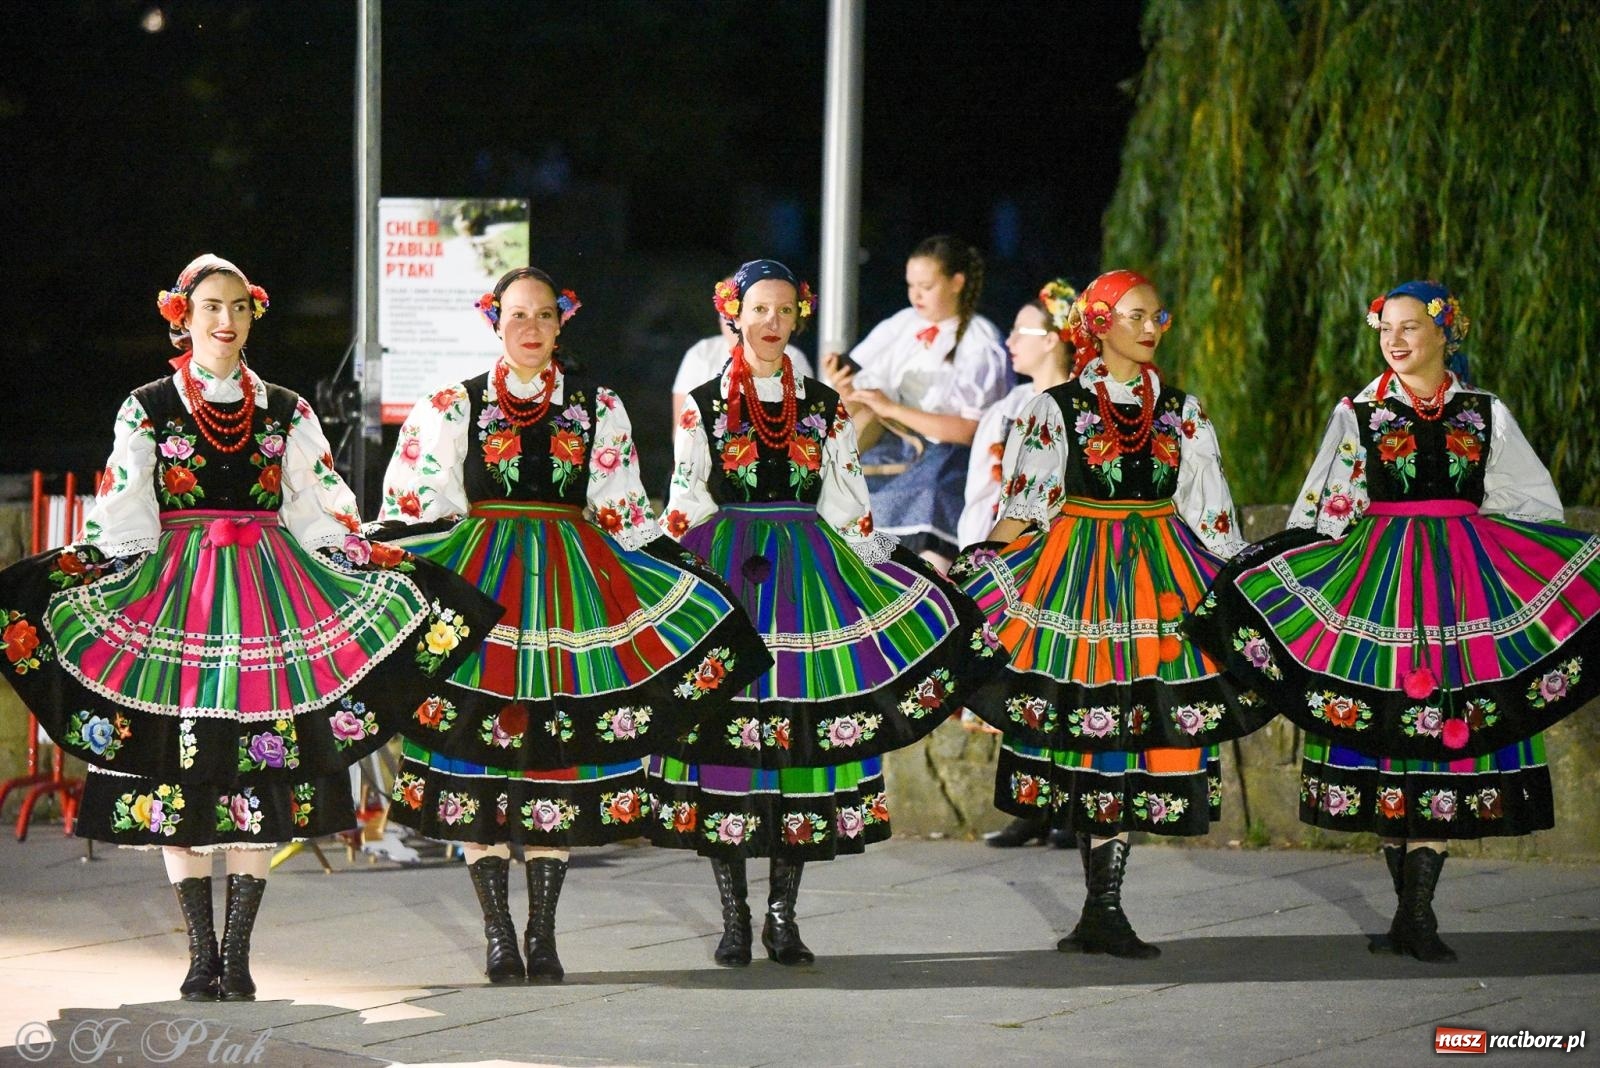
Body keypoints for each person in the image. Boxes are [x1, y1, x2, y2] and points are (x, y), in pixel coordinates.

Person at [0, 254, 499, 1002]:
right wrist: (93, 566)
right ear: (183, 316)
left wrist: (367, 553)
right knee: (178, 766)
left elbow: (317, 506)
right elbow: (127, 507)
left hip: (269, 595)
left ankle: (237, 954)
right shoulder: (147, 406)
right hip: (178, 599)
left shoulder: (287, 409)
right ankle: (200, 954)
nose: (226, 321)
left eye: (238, 307)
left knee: (262, 767)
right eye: (210, 308)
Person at [373, 266, 769, 984]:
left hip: (569, 587)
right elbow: (417, 503)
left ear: (562, 324)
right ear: (494, 320)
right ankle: (499, 935)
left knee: (559, 748)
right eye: (517, 315)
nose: (529, 329)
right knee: (479, 752)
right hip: (482, 584)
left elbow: (620, 509)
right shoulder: (452, 403)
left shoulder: (597, 404)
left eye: (543, 316)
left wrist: (683, 573)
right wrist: (387, 567)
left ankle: (544, 934)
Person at [1187, 281, 1600, 962]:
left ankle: (1418, 914)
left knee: (1445, 732)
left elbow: (1529, 502)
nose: (1397, 341)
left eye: (1411, 327)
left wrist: (1509, 557)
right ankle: (1411, 916)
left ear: (1446, 332)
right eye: (1387, 330)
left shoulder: (1483, 413)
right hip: (1379, 580)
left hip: (1460, 584)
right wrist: (1293, 564)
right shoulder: (1360, 413)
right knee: (1381, 731)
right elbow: (1324, 507)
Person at [646, 259, 1004, 967]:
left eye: (784, 310)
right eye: (759, 310)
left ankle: (782, 914)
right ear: (735, 314)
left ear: (796, 317)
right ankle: (734, 916)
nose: (771, 322)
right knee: (728, 741)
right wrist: (663, 568)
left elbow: (847, 499)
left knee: (799, 742)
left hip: (810, 572)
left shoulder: (824, 403)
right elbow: (689, 496)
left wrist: (889, 565)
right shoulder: (702, 401)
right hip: (732, 567)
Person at [951, 269, 1271, 958]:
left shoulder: (1183, 409)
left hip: (1162, 577)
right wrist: (975, 573)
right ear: (1098, 323)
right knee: (1096, 730)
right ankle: (1102, 906)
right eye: (1135, 315)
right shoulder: (1054, 408)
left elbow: (1212, 515)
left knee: (1137, 731)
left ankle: (1107, 905)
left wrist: (1245, 587)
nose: (1152, 326)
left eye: (1158, 315)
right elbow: (1027, 506)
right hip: (1080, 575)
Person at [961, 281, 1080, 850]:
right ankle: (1030, 805)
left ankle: (1072, 807)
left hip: (1070, 557)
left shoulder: (1085, 404)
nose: (1009, 340)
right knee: (1025, 681)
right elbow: (983, 493)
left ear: (1055, 337)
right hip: (1015, 558)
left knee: (1070, 678)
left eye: (1021, 330)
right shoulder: (1008, 409)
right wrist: (980, 553)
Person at [821, 235, 1010, 568]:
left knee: (928, 495)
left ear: (957, 283)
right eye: (911, 285)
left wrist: (891, 408)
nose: (915, 295)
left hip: (948, 456)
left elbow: (969, 429)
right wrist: (845, 385)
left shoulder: (980, 340)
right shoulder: (901, 324)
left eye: (926, 286)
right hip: (893, 445)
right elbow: (862, 383)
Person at [671, 313, 811, 431]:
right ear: (720, 320)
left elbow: (807, 421)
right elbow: (682, 427)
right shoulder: (701, 353)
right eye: (728, 316)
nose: (735, 323)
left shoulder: (792, 357)